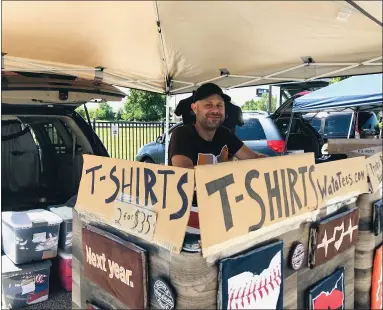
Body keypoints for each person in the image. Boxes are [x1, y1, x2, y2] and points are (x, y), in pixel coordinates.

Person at [169, 83, 267, 169]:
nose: (215, 110)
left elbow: (254, 159)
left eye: (219, 105)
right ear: (194, 108)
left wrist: (279, 163)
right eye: (208, 105)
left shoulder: (225, 134)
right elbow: (185, 173)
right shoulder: (182, 134)